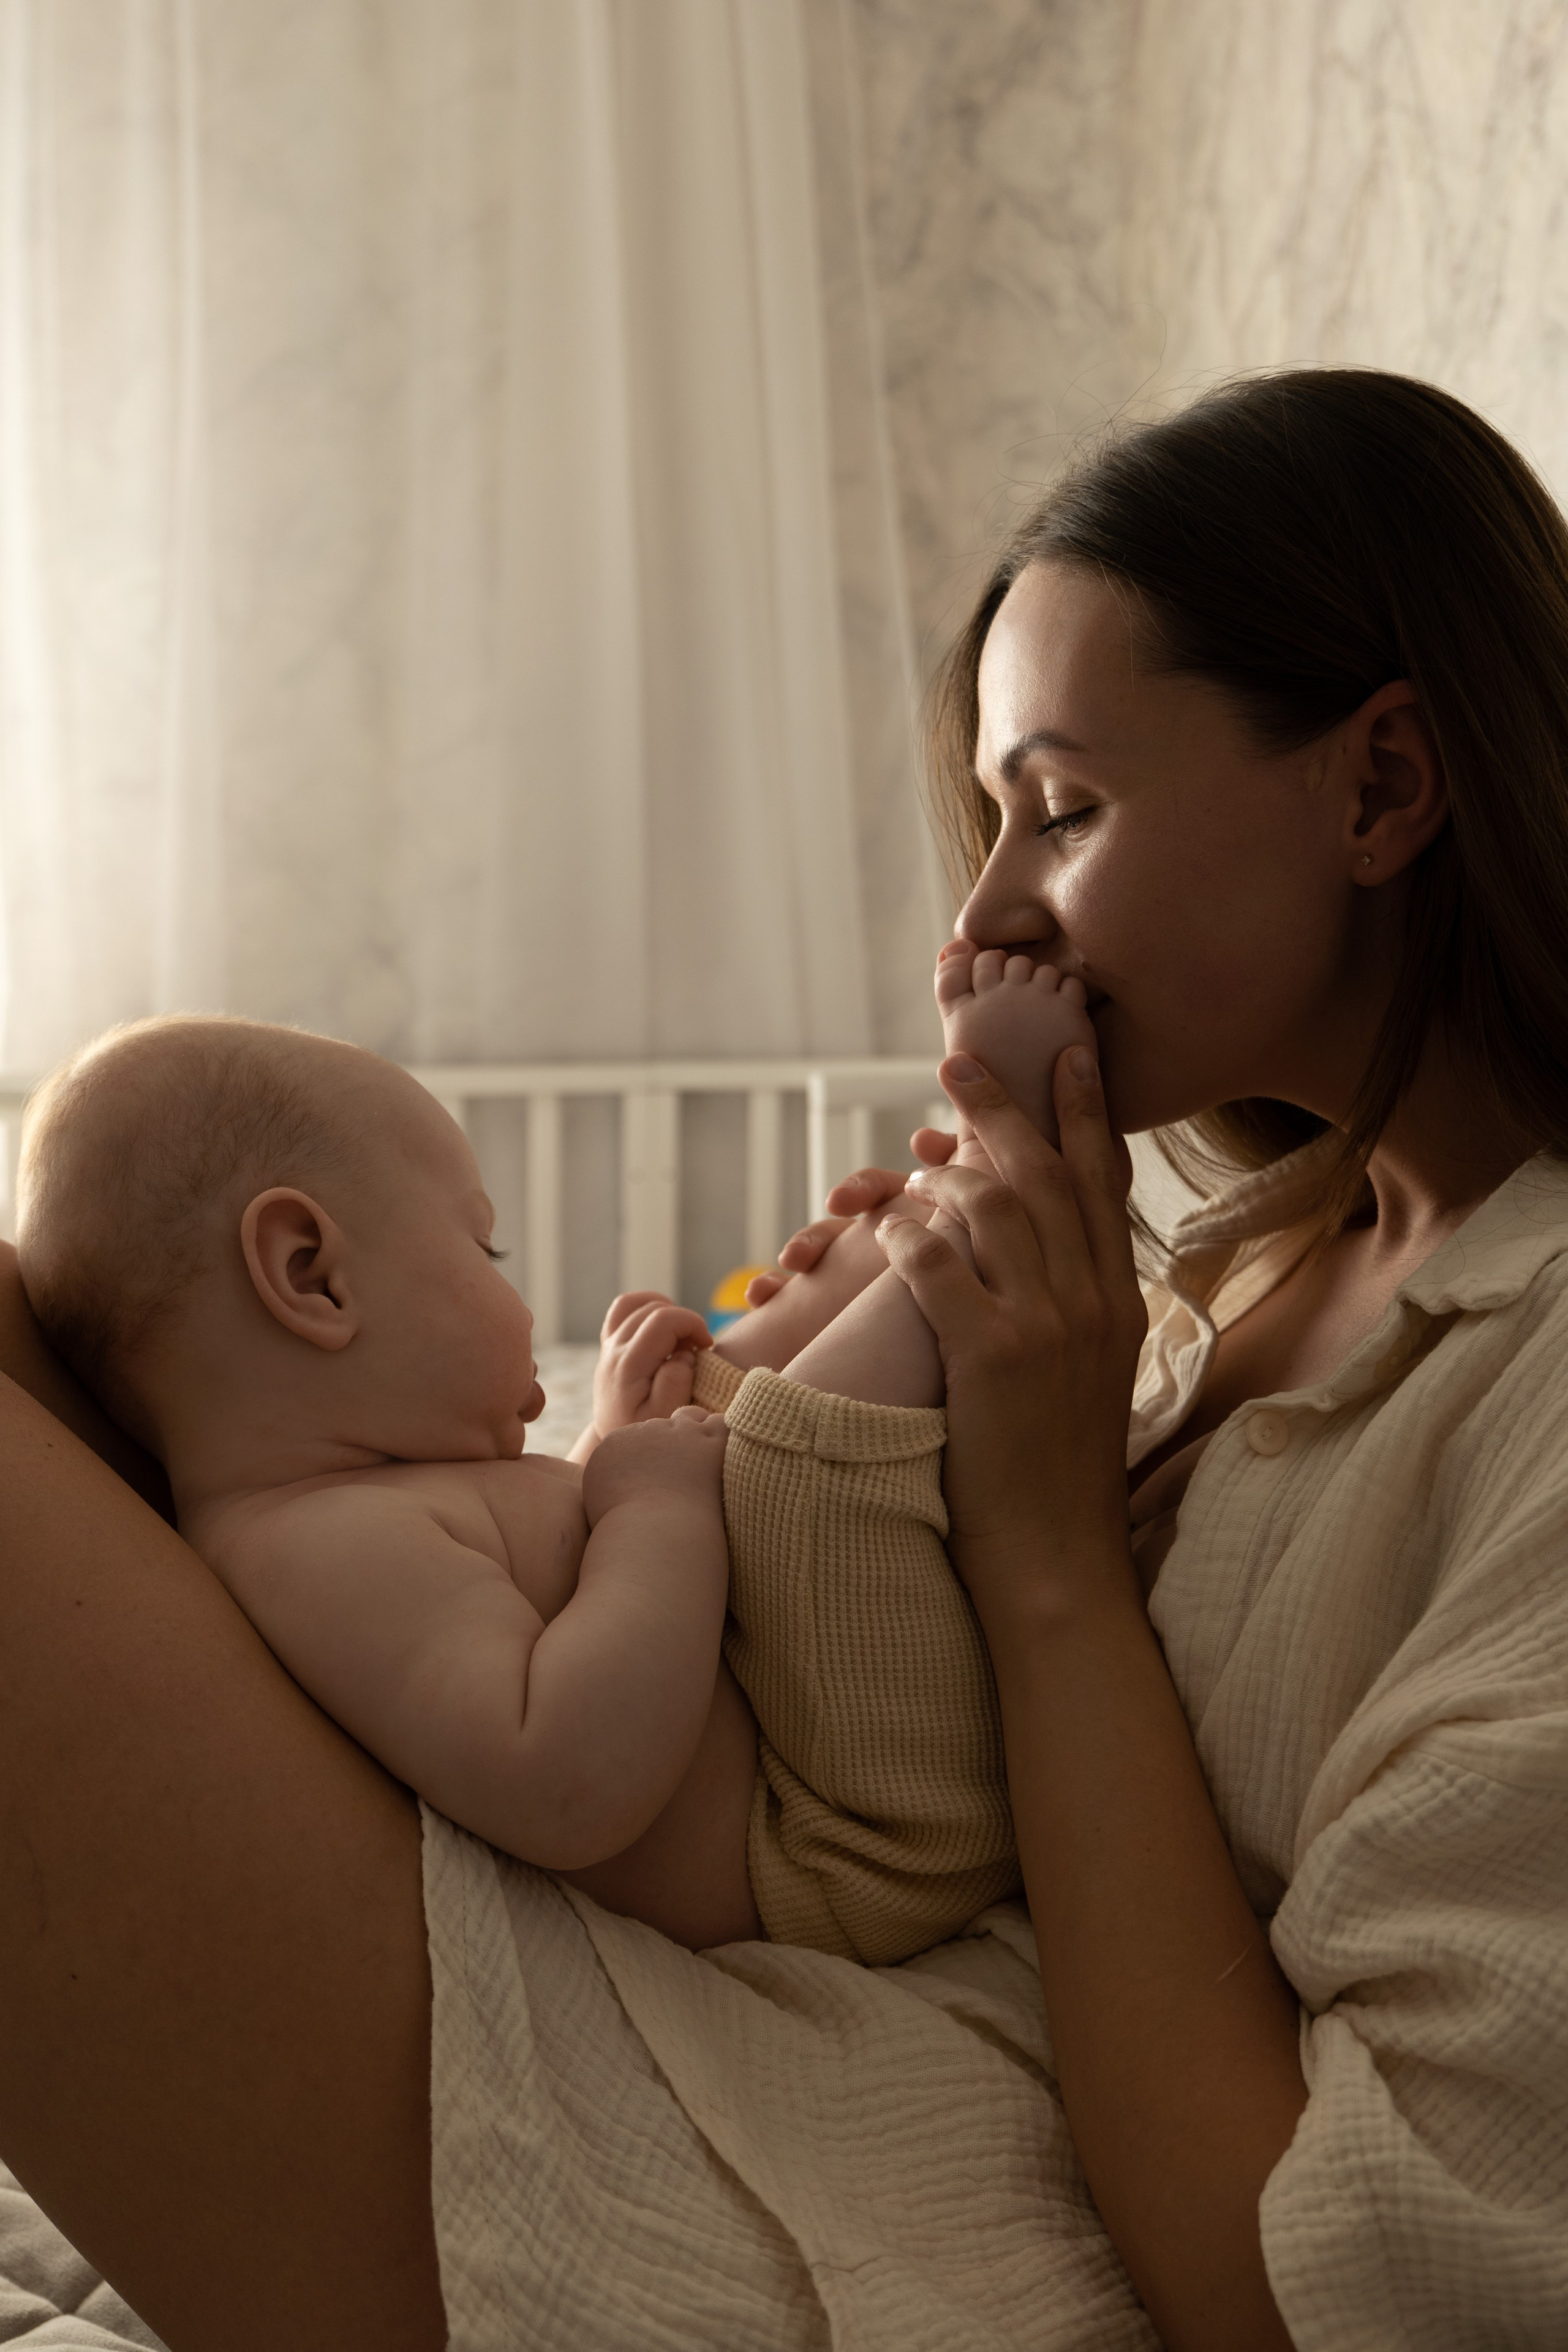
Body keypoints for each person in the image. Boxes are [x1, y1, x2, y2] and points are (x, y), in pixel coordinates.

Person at [1, 365, 1564, 2352]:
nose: (981, 915)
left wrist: (1050, 1543)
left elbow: (1310, 2287)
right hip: (754, 1988)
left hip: (844, 2176)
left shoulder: (1530, 1391)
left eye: (1061, 812)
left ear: (1381, 786)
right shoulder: (1269, 1253)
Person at [12, 950, 1090, 1970]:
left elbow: (544, 1586)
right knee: (773, 1450)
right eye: (483, 1247)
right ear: (313, 1279)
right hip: (841, 1831)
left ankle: (953, 1196)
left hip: (795, 1716)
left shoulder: (362, 1495)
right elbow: (563, 1773)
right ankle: (1008, 1169)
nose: (510, 1289)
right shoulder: (310, 1551)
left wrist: (606, 1446)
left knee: (741, 1359)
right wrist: (652, 1513)